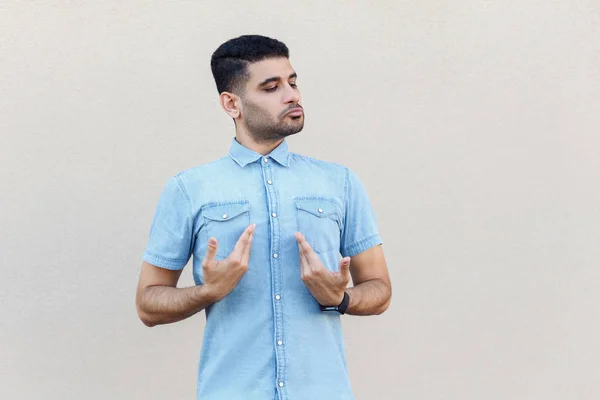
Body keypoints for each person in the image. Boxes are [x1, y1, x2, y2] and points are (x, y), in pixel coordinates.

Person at [136, 34, 391, 400]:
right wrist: (209, 291)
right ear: (231, 104)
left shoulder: (340, 183)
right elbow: (148, 304)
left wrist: (341, 298)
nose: (292, 95)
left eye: (292, 82)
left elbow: (380, 290)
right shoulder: (188, 189)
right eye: (271, 87)